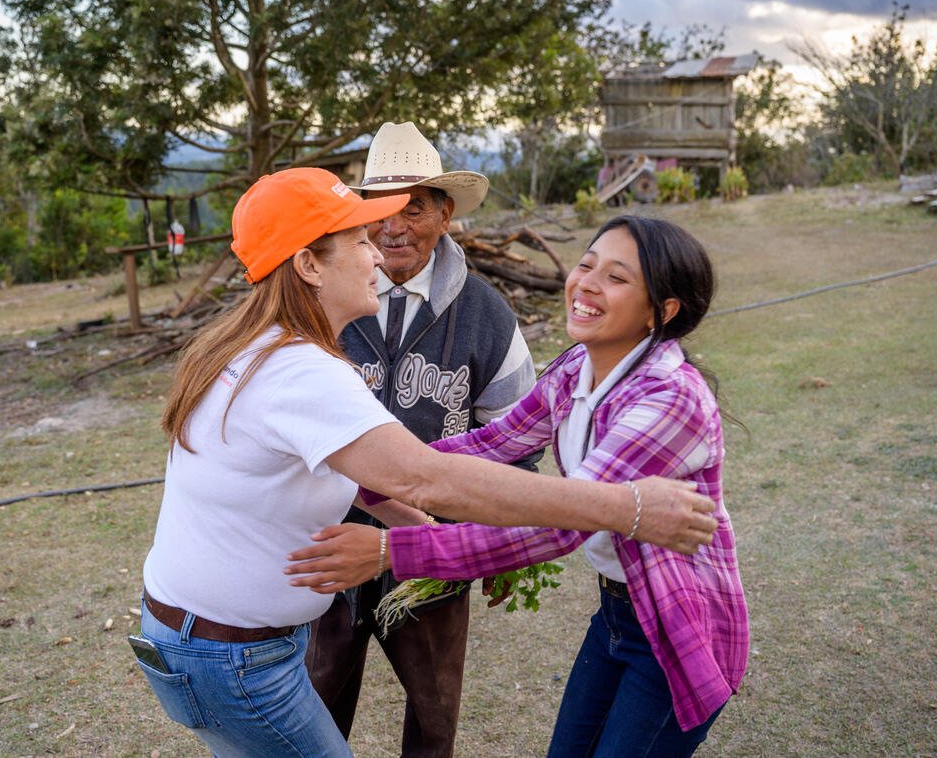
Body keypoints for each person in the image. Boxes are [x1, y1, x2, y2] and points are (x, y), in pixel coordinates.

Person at [135, 171, 719, 758]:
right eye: (361, 241)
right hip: (230, 658)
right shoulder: (304, 370)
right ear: (310, 265)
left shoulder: (256, 344)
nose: (378, 250)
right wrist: (630, 507)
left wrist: (409, 516)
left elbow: (442, 455)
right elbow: (422, 474)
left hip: (208, 643)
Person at [287, 215, 749, 757]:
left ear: (662, 310)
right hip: (618, 617)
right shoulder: (578, 367)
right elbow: (492, 443)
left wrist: (393, 549)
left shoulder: (669, 400)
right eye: (586, 264)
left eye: (617, 278)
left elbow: (562, 527)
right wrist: (382, 472)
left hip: (677, 625)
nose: (588, 285)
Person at [306, 120, 539, 758]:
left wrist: (497, 536)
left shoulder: (484, 311)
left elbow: (519, 432)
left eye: (413, 207)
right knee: (316, 701)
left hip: (434, 553)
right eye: (380, 209)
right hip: (327, 541)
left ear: (444, 214)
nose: (394, 226)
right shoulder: (326, 296)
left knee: (434, 712)